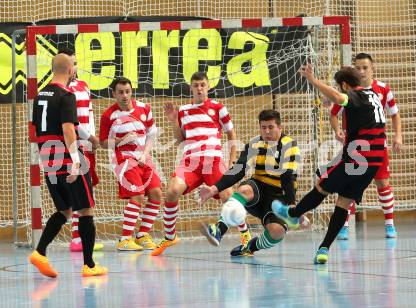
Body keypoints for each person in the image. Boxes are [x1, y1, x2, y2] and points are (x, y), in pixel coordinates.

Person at [273, 64, 387, 264]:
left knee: (321, 186)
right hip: (374, 161)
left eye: (340, 86)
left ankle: (293, 214)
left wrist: (313, 80)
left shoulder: (355, 96)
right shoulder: (373, 95)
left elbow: (340, 98)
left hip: (358, 158)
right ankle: (323, 249)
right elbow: (346, 106)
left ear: (344, 84)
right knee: (343, 202)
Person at [151, 71, 251, 256]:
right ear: (191, 87)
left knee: (228, 196)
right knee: (172, 191)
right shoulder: (183, 110)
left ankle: (245, 236)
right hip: (190, 162)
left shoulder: (219, 108)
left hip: (212, 160)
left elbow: (231, 134)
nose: (199, 88)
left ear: (208, 86)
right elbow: (180, 139)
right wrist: (173, 121)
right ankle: (170, 236)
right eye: (195, 85)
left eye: (202, 85)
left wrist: (231, 161)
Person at [28, 53, 107, 277]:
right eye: (74, 66)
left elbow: (35, 131)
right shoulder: (66, 95)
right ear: (70, 69)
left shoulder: (40, 95)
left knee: (65, 210)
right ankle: (89, 266)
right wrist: (75, 161)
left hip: (48, 159)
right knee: (86, 210)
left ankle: (40, 252)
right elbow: (67, 129)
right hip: (66, 157)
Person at [199, 109, 301, 256]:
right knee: (244, 190)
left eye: (271, 127)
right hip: (258, 190)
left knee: (277, 232)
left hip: (279, 196)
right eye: (263, 127)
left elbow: (287, 177)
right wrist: (214, 189)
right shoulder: (254, 144)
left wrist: (291, 205)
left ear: (280, 127)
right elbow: (238, 170)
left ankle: (250, 247)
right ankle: (219, 230)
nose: (267, 131)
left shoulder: (289, 145)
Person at [330, 53, 402, 240]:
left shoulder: (383, 89)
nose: (361, 71)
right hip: (355, 147)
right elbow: (334, 113)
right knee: (350, 184)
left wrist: (398, 136)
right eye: (358, 68)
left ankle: (389, 225)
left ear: (372, 68)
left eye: (365, 67)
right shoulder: (348, 92)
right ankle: (344, 225)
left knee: (383, 184)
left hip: (378, 146)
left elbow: (394, 114)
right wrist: (337, 131)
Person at [99, 77, 162, 251]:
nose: (125, 96)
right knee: (137, 195)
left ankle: (142, 235)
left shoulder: (144, 108)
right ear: (114, 94)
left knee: (156, 193)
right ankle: (125, 239)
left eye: (127, 91)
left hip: (143, 157)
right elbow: (103, 143)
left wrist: (145, 154)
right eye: (120, 92)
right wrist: (121, 140)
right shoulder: (108, 115)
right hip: (124, 160)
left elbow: (151, 134)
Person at [57, 47, 104, 252]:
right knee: (78, 192)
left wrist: (94, 138)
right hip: (73, 146)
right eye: (69, 64)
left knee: (87, 190)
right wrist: (88, 136)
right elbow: (71, 124)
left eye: (75, 63)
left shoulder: (83, 86)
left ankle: (82, 237)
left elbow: (89, 113)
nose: (73, 68)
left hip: (88, 145)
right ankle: (77, 238)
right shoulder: (63, 91)